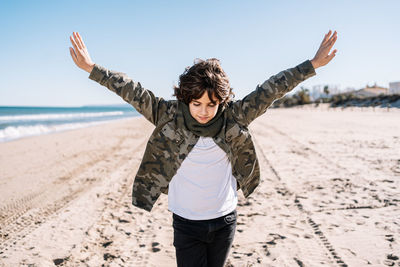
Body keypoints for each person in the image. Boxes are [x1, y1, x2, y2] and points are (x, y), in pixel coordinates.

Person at [69, 30, 337, 267]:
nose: (204, 112)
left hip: (225, 220)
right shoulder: (167, 115)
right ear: (186, 99)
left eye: (212, 104)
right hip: (186, 223)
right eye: (196, 104)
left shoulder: (235, 116)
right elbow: (131, 90)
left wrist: (312, 64)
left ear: (222, 101)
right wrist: (92, 68)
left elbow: (272, 89)